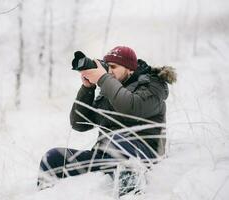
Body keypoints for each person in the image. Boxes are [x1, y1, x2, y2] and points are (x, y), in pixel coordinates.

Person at [37, 46, 176, 194]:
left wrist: (103, 79)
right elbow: (79, 123)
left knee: (116, 140)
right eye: (106, 67)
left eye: (113, 67)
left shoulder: (152, 85)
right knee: (53, 158)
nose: (109, 71)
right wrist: (87, 88)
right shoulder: (110, 91)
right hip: (105, 155)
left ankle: (130, 195)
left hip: (144, 155)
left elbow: (131, 106)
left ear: (129, 69)